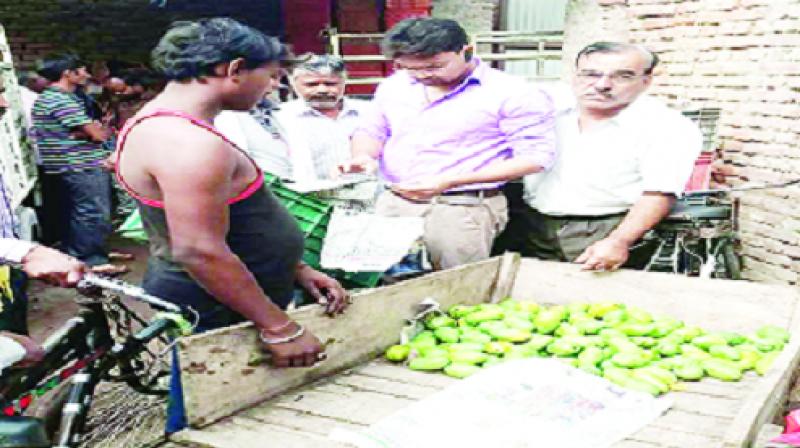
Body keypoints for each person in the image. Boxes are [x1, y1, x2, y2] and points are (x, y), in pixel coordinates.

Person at [115, 18, 349, 365]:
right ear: (235, 69)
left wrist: (295, 268)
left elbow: (231, 222)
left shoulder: (167, 124)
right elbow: (198, 249)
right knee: (214, 403)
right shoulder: (188, 143)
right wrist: (280, 327)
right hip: (215, 305)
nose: (271, 87)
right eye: (269, 76)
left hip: (230, 296)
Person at [338, 18, 556, 270]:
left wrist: (450, 181)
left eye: (435, 66)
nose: (422, 75)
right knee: (384, 283)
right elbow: (371, 130)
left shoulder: (513, 92)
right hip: (395, 201)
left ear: (466, 50)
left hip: (462, 208)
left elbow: (536, 158)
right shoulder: (394, 85)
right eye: (409, 68)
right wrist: (363, 157)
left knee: (456, 288)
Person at [512, 42, 702, 271]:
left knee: (596, 303)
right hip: (533, 224)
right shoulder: (546, 112)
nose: (602, 85)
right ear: (575, 76)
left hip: (606, 227)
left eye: (623, 76)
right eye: (591, 74)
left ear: (646, 81)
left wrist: (618, 241)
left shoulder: (667, 126)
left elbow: (659, 193)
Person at [31, 53, 125, 274]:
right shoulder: (61, 100)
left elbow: (90, 132)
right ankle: (93, 261)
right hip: (79, 164)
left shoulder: (55, 97)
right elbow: (100, 134)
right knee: (91, 212)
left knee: (79, 211)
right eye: (82, 70)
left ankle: (87, 252)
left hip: (67, 164)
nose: (86, 75)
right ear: (68, 74)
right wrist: (96, 130)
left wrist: (86, 132)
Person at [277, 54, 372, 183]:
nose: (322, 90)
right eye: (312, 85)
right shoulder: (281, 117)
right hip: (310, 199)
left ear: (344, 82)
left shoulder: (369, 113)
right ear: (293, 84)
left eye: (330, 84)